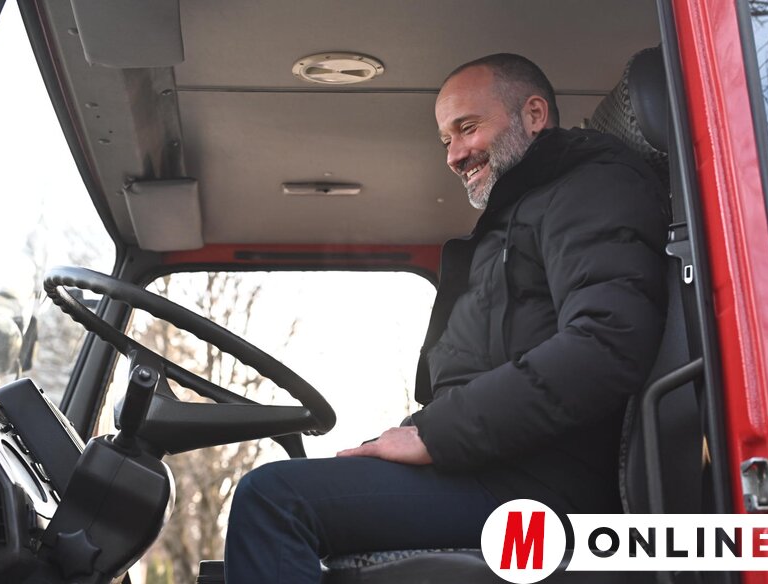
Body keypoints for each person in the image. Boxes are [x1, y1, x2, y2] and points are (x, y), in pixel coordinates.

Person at [224, 53, 668, 583]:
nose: (455, 155)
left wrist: (433, 436)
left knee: (273, 501)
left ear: (533, 114)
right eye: (445, 141)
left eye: (468, 128)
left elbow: (606, 343)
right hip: (497, 467)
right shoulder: (520, 214)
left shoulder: (592, 187)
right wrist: (414, 435)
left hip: (540, 491)